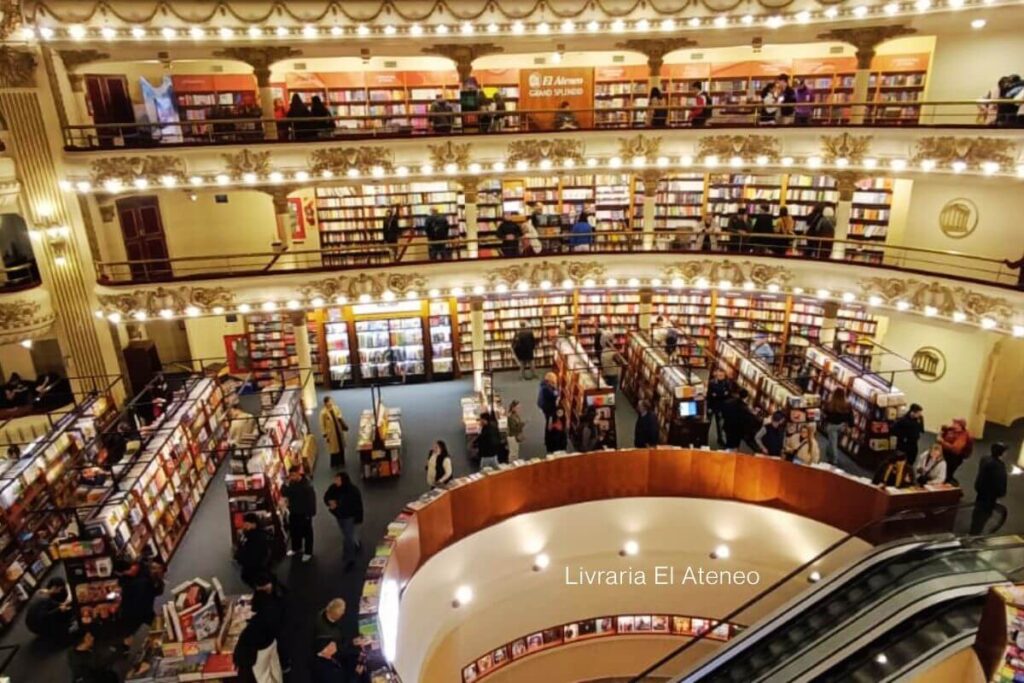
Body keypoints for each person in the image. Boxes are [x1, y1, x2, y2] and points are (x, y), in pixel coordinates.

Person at [233, 572, 286, 683]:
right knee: (274, 667)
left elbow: (248, 639)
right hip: (271, 641)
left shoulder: (263, 605)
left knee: (263, 676)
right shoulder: (277, 598)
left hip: (260, 649)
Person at [311, 599, 364, 683]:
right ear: (325, 651)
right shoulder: (327, 674)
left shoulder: (322, 619)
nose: (343, 613)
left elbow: (338, 645)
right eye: (341, 611)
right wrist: (356, 675)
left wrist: (352, 643)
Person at [118, 558, 166, 647]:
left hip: (140, 610)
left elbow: (157, 592)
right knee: (131, 633)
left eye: (159, 569)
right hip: (135, 611)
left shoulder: (148, 579)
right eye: (154, 568)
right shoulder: (142, 581)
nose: (156, 571)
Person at [323, 471, 363, 571]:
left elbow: (357, 506)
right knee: (346, 533)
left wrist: (337, 505)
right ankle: (355, 543)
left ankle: (350, 558)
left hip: (349, 516)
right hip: (339, 516)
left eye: (338, 479)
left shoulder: (352, 491)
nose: (335, 481)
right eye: (335, 479)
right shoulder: (333, 488)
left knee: (347, 536)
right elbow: (326, 496)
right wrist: (330, 502)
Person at [971, 443, 1009, 535]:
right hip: (990, 496)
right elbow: (1000, 484)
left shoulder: (985, 459)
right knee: (983, 515)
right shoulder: (999, 467)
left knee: (977, 512)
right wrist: (1001, 493)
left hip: (981, 492)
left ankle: (973, 531)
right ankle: (974, 535)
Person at [282, 465, 316, 562]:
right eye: (290, 475)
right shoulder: (292, 483)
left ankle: (308, 552)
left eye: (293, 475)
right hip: (294, 512)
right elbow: (285, 493)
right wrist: (285, 484)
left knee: (307, 533)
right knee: (294, 531)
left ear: (298, 473)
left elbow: (311, 501)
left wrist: (310, 514)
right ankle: (296, 548)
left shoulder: (307, 485)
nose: (291, 477)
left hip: (304, 513)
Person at [26, 577, 74, 641]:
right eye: (60, 589)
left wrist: (63, 604)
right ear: (54, 587)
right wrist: (59, 610)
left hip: (32, 623)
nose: (60, 591)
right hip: (38, 625)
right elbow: (44, 617)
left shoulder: (41, 593)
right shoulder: (45, 600)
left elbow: (54, 604)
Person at [237, 512, 273, 589]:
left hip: (256, 568)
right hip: (255, 567)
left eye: (247, 524)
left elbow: (252, 556)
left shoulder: (256, 538)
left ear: (254, 524)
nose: (244, 526)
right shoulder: (252, 534)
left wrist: (240, 557)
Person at [822, 388, 854, 465]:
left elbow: (825, 414)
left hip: (832, 426)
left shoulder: (830, 403)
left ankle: (834, 459)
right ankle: (828, 454)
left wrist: (825, 420)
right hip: (841, 426)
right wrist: (850, 426)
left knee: (833, 442)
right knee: (832, 440)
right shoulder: (847, 404)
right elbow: (851, 416)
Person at [938, 417, 973, 485]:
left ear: (959, 426)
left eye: (955, 423)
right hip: (946, 453)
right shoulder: (952, 429)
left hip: (954, 457)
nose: (952, 424)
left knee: (948, 470)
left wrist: (942, 442)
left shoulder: (963, 436)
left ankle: (946, 481)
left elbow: (955, 449)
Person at [319, 396, 350, 469]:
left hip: (338, 429)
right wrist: (324, 433)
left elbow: (340, 416)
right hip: (331, 432)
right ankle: (335, 463)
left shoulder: (336, 408)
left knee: (341, 445)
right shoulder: (323, 413)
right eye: (329, 401)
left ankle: (342, 461)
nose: (331, 403)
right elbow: (321, 424)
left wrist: (341, 420)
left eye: (331, 401)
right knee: (334, 448)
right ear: (326, 403)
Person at [706, 368, 734, 447]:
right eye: (718, 375)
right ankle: (705, 438)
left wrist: (717, 394)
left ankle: (720, 439)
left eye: (722, 376)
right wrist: (722, 394)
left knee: (720, 425)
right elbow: (709, 395)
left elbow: (728, 394)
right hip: (712, 406)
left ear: (724, 375)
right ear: (716, 375)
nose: (720, 377)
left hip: (721, 407)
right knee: (708, 423)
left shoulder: (727, 383)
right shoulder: (711, 383)